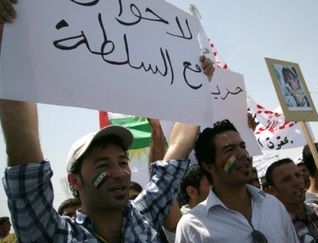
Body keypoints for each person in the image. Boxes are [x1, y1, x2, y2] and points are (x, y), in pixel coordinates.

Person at [0, 55, 214, 242]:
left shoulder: (144, 214)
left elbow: (177, 148)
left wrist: (198, 86)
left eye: (123, 162)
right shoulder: (54, 235)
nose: (119, 173)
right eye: (103, 165)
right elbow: (23, 147)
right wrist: (8, 43)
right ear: (75, 180)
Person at [176, 119, 299, 243]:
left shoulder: (273, 205)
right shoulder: (192, 226)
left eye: (242, 146)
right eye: (229, 150)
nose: (242, 154)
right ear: (209, 166)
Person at [265, 158, 318, 243]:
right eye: (287, 179)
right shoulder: (277, 229)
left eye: (298, 175)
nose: (296, 182)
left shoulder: (317, 210)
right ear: (272, 191)